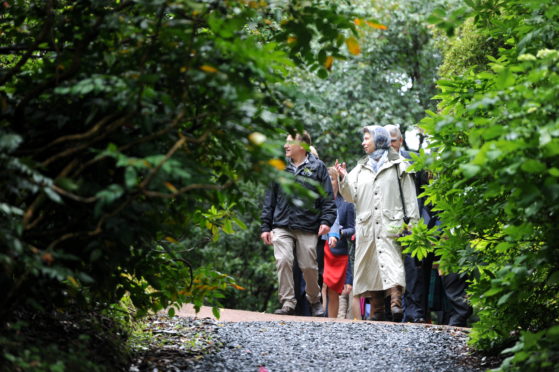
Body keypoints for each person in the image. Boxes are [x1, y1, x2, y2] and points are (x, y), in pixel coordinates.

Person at [335, 126, 419, 322]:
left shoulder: (399, 164)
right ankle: (378, 311)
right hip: (367, 226)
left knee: (393, 263)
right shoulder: (360, 167)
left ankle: (396, 303)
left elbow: (410, 198)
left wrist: (412, 225)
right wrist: (343, 177)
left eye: (366, 139)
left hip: (392, 224)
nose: (363, 143)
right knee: (371, 267)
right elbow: (350, 196)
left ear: (379, 140)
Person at [261, 131, 337, 316]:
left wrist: (326, 221)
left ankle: (314, 300)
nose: (285, 146)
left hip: (307, 225)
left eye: (289, 142)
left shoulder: (318, 168)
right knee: (283, 260)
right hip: (281, 224)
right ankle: (288, 303)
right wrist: (265, 226)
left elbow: (327, 199)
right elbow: (269, 199)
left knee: (308, 266)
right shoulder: (279, 168)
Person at [385, 124, 429, 323]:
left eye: (393, 140)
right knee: (390, 268)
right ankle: (391, 311)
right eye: (385, 141)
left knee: (413, 268)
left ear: (400, 141)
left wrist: (422, 221)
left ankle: (415, 312)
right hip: (388, 223)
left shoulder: (413, 161)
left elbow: (424, 192)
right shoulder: (379, 163)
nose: (389, 144)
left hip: (412, 223)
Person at [322, 167, 355, 318]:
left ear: (338, 182)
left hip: (339, 252)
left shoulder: (347, 203)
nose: (329, 181)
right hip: (322, 248)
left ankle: (334, 322)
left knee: (336, 289)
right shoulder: (320, 201)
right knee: (324, 286)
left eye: (332, 178)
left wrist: (341, 233)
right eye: (327, 178)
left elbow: (353, 228)